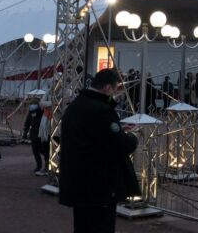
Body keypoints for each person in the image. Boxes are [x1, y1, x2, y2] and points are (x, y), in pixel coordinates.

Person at [59, 68, 139, 233]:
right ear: (108, 88)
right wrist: (132, 137)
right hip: (99, 185)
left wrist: (117, 129)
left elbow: (92, 135)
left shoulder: (75, 106)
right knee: (101, 226)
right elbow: (119, 145)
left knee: (82, 226)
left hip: (79, 182)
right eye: (116, 88)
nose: (116, 93)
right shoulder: (102, 110)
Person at [23, 98, 48, 175]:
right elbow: (27, 124)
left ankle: (47, 166)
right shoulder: (31, 114)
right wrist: (25, 133)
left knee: (44, 151)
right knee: (35, 151)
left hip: (42, 135)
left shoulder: (43, 113)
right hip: (34, 135)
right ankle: (39, 166)